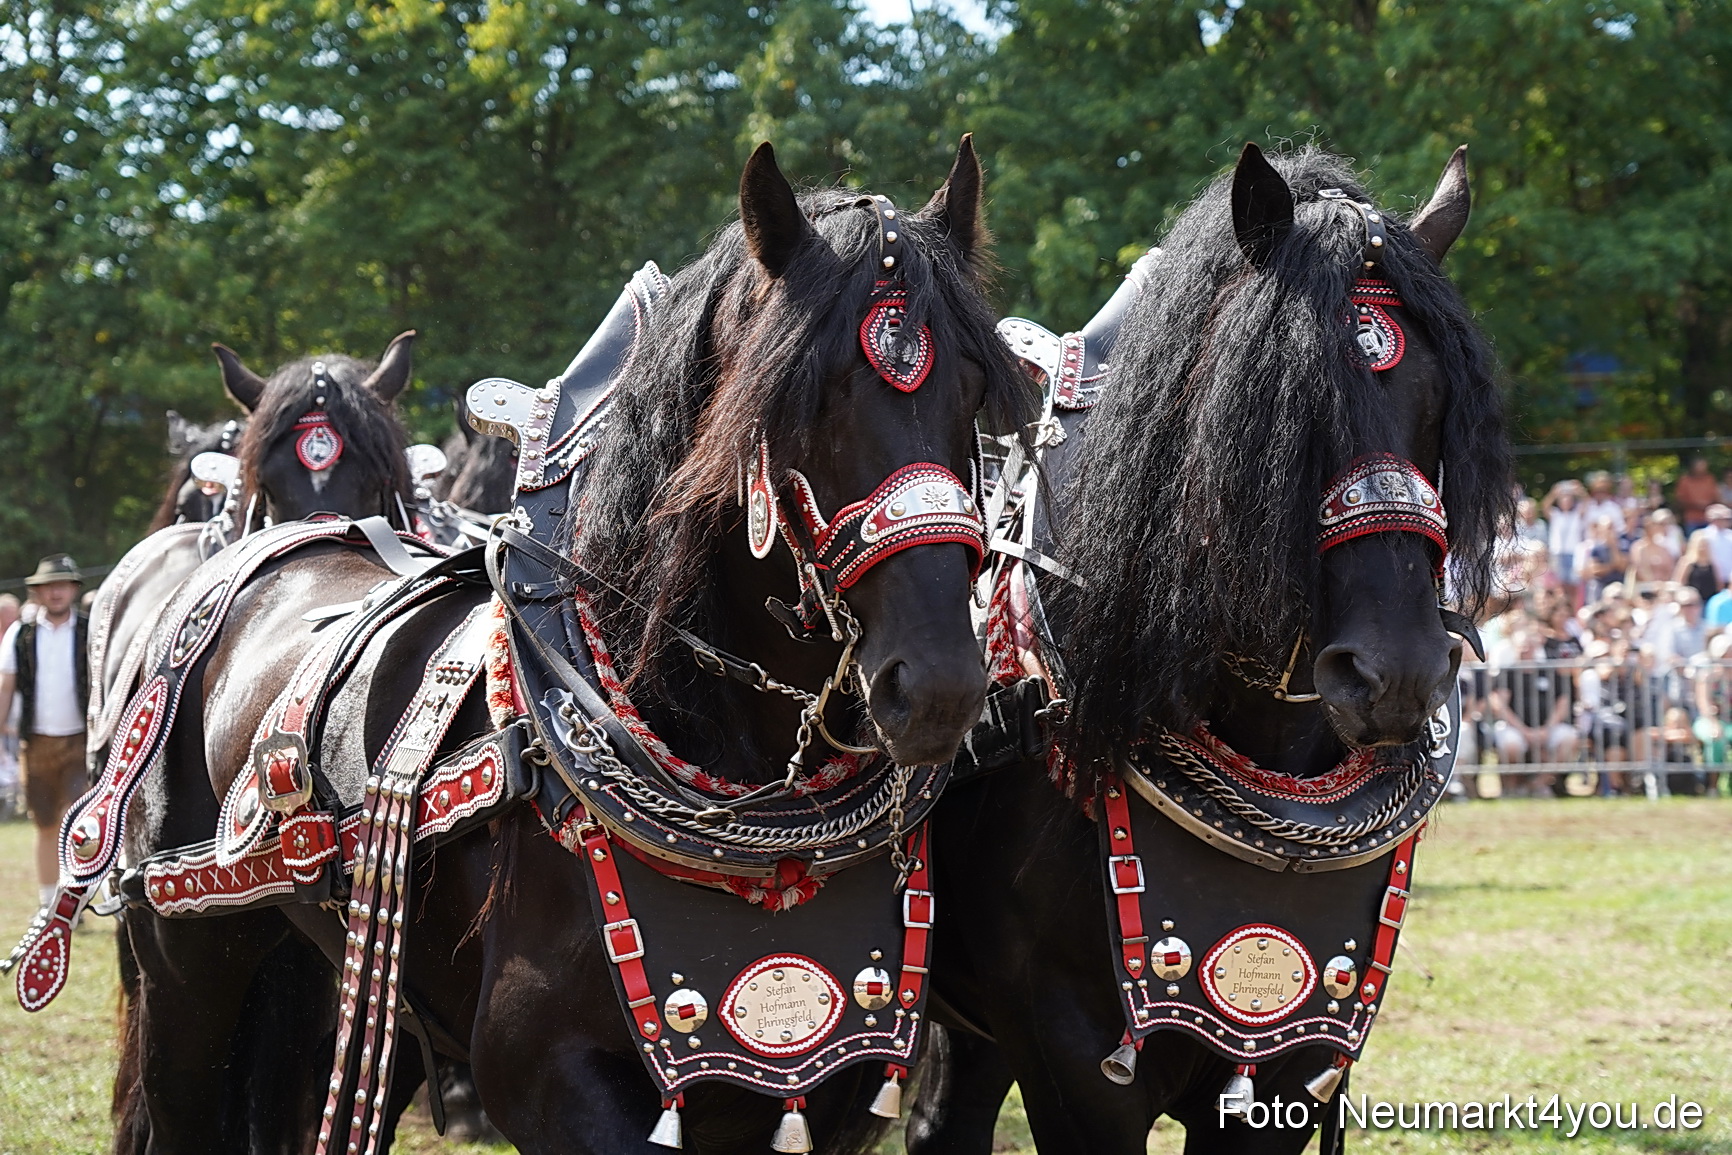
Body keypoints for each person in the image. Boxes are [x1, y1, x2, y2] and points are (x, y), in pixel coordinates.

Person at [0, 556, 90, 913]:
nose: (56, 592)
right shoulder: (20, 635)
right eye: (48, 586)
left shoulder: (89, 629)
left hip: (80, 741)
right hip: (36, 743)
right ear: (36, 592)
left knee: (76, 819)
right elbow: (6, 685)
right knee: (46, 824)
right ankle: (47, 901)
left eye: (63, 585)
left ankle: (74, 896)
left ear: (72, 589)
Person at [1675, 457, 1720, 534]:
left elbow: (1716, 497)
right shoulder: (1685, 480)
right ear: (1693, 467)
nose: (1702, 468)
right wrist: (1696, 506)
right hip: (1691, 519)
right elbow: (1680, 500)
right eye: (1700, 466)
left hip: (1708, 518)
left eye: (1704, 466)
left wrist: (1707, 506)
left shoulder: (1710, 479)